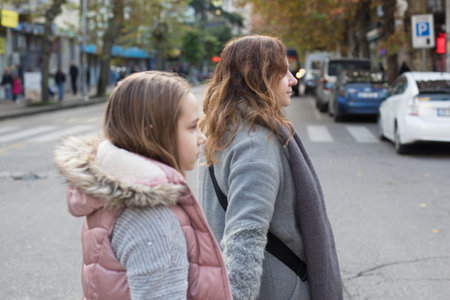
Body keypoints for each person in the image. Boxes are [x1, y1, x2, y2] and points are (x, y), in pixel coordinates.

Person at [53, 71, 232, 300]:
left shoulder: (120, 188)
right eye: (192, 127)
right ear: (154, 132)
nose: (202, 137)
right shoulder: (151, 215)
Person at [199, 35, 343, 300]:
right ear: (259, 79)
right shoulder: (255, 146)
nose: (293, 80)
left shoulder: (224, 132)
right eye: (283, 72)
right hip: (278, 289)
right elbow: (245, 236)